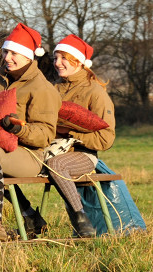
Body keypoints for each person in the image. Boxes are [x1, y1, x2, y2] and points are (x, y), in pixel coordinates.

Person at [0, 23, 61, 241]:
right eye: (6, 51)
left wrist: (18, 128)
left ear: (27, 57)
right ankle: (29, 215)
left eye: (14, 53)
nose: (7, 57)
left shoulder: (41, 88)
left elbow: (45, 134)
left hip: (31, 154)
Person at [47, 34, 115, 236]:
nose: (57, 63)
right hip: (49, 150)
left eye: (64, 58)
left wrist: (71, 133)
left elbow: (106, 138)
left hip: (83, 155)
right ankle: (29, 217)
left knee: (57, 165)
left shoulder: (95, 92)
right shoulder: (52, 89)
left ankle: (81, 219)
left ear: (78, 61)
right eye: (55, 58)